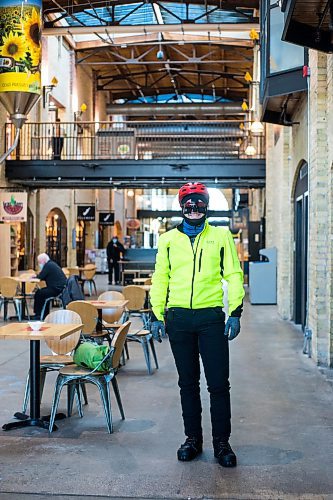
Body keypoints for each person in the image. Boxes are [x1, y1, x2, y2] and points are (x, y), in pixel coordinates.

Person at [149, 182, 245, 468]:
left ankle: (221, 443)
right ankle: (192, 439)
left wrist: (236, 310)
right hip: (178, 319)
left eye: (199, 204)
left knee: (218, 384)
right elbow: (160, 277)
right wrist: (156, 314)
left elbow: (234, 273)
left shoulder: (221, 236)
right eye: (189, 204)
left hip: (211, 319)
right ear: (182, 207)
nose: (194, 209)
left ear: (206, 207)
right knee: (187, 384)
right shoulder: (167, 240)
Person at [32, 253, 67, 320]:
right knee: (43, 293)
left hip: (56, 289)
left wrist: (34, 277)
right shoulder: (51, 264)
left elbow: (41, 277)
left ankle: (38, 314)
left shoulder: (48, 266)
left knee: (39, 293)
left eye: (39, 262)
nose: (39, 264)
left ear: (43, 260)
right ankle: (44, 313)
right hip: (60, 288)